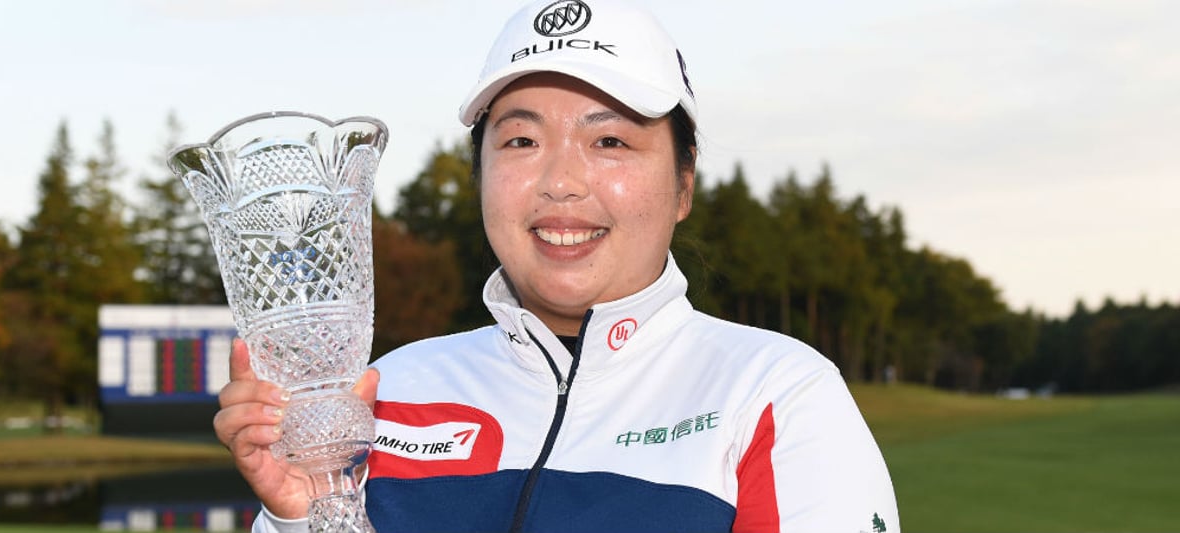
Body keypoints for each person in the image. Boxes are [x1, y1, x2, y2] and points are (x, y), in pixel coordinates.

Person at [214, 0, 901, 531]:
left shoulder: (775, 395)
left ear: (684, 185)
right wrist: (302, 511)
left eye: (609, 139)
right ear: (480, 175)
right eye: (520, 138)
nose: (562, 181)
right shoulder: (385, 393)